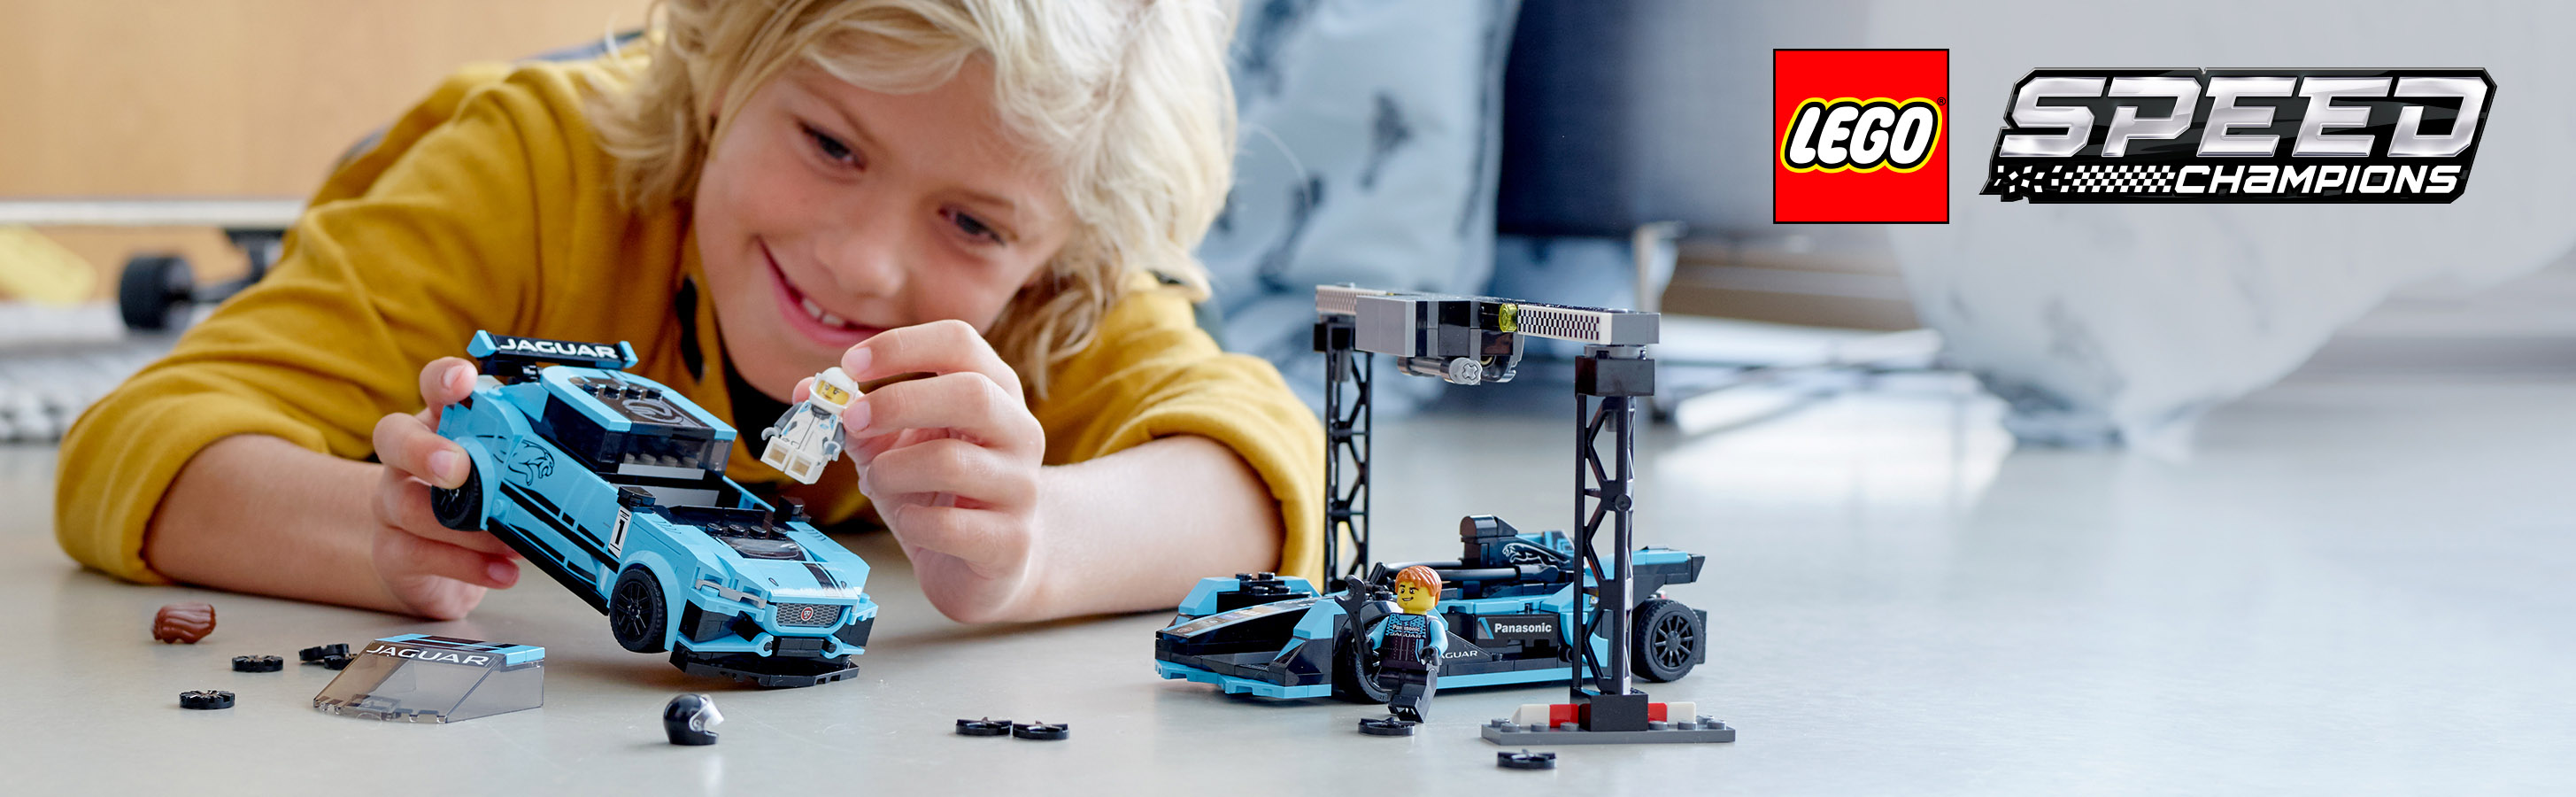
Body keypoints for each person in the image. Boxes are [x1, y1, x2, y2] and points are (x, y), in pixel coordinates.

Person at [53, 0, 1322, 625]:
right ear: (723, 74)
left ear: (1052, 260)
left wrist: (1037, 549)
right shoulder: (531, 173)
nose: (863, 263)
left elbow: (1266, 476)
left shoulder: (1052, 296)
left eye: (972, 225)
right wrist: (375, 539)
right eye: (831, 144)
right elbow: (137, 442)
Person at [1370, 565, 1447, 722]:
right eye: (1403, 590)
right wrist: (1370, 642)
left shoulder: (1431, 623)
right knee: (1389, 684)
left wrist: (1434, 649)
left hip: (1418, 666)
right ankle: (1395, 705)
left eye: (1413, 591)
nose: (1406, 594)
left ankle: (1410, 710)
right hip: (1391, 665)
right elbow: (1376, 635)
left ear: (1434, 597)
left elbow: (1441, 640)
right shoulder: (1391, 620)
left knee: (1413, 688)